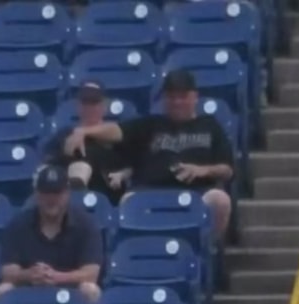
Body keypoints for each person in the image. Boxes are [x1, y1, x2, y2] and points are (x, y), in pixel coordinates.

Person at [64, 69, 236, 242]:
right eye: (171, 97)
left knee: (220, 201)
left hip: (197, 191)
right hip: (150, 191)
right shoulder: (151, 124)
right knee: (127, 201)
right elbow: (117, 130)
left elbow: (227, 170)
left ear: (195, 97)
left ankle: (208, 251)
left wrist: (203, 170)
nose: (177, 102)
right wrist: (84, 131)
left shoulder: (209, 125)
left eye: (182, 96)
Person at [0, 165, 104, 301]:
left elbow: (91, 273)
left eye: (57, 193)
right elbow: (7, 272)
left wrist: (56, 277)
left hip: (70, 294)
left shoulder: (85, 224)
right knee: (2, 290)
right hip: (29, 292)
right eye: (46, 193)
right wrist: (29, 275)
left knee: (90, 289)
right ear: (37, 194)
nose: (51, 199)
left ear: (67, 194)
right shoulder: (18, 224)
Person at [44, 81, 127, 202]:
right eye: (85, 102)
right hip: (69, 198)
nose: (89, 108)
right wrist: (65, 156)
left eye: (94, 103)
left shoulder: (116, 134)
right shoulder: (64, 135)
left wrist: (83, 132)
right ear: (78, 106)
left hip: (109, 194)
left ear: (104, 106)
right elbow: (47, 167)